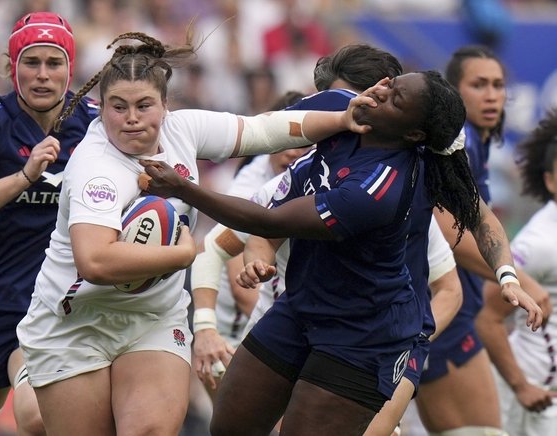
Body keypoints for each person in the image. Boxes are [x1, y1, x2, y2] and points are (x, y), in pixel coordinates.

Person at [15, 29, 378, 436]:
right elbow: (95, 261)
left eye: (144, 105)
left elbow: (263, 130)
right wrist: (182, 255)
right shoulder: (95, 167)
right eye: (118, 107)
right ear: (101, 110)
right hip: (74, 321)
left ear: (165, 106)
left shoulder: (182, 129)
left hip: (152, 315)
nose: (131, 118)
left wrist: (340, 119)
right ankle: (27, 376)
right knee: (50, 425)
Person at [140, 69, 542, 434]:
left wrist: (182, 188)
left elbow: (270, 222)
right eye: (389, 82)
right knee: (228, 427)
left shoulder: (380, 188)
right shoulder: (342, 110)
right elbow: (259, 131)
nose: (380, 92)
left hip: (364, 336)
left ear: (413, 134)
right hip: (301, 307)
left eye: (395, 99)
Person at [0, 12, 98, 436]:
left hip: (55, 306)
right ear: (11, 68)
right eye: (31, 63)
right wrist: (25, 176)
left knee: (39, 417)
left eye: (54, 62)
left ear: (70, 68)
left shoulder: (98, 126)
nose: (43, 75)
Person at [415, 44, 550, 435]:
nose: (491, 95)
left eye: (498, 85)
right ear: (455, 93)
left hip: (453, 313)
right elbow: (444, 232)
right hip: (444, 318)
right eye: (478, 85)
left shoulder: (477, 143)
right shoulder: (460, 142)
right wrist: (518, 279)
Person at [190, 90, 308, 394]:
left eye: (304, 144)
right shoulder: (252, 190)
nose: (294, 152)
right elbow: (227, 266)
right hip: (233, 328)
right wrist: (206, 328)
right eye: (287, 141)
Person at [476, 109, 557, 435]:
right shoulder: (540, 242)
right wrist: (521, 386)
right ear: (550, 180)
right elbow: (488, 316)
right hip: (544, 400)